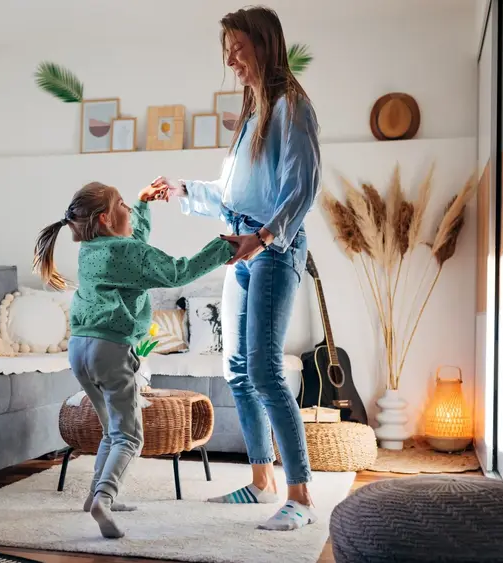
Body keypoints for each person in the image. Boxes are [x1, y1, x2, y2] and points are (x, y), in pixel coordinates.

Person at [151, 6, 321, 532]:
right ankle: (260, 479)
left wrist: (265, 237)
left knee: (266, 369)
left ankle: (301, 496)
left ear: (265, 46)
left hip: (270, 249)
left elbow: (303, 186)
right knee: (238, 371)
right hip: (241, 248)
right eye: (227, 49)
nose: (230, 59)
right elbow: (232, 196)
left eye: (238, 48)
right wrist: (183, 190)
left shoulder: (291, 105)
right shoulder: (252, 114)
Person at [33, 182, 235, 539]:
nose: (129, 209)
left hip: (79, 348)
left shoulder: (93, 248)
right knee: (130, 437)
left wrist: (141, 204)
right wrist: (225, 247)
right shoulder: (124, 252)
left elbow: (133, 246)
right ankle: (104, 500)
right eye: (124, 204)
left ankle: (97, 493)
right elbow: (176, 272)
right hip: (110, 350)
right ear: (107, 218)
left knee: (113, 429)